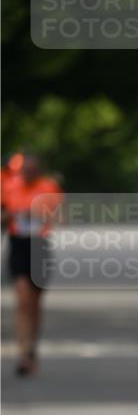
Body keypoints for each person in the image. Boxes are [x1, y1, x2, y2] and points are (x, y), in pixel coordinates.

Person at [1, 152, 63, 376]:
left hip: (39, 246)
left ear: (38, 171)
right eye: (24, 170)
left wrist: (39, 214)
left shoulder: (48, 186)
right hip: (18, 244)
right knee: (22, 300)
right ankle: (23, 353)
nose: (27, 174)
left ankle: (32, 346)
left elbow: (60, 216)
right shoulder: (8, 185)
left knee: (35, 303)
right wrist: (10, 216)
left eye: (31, 170)